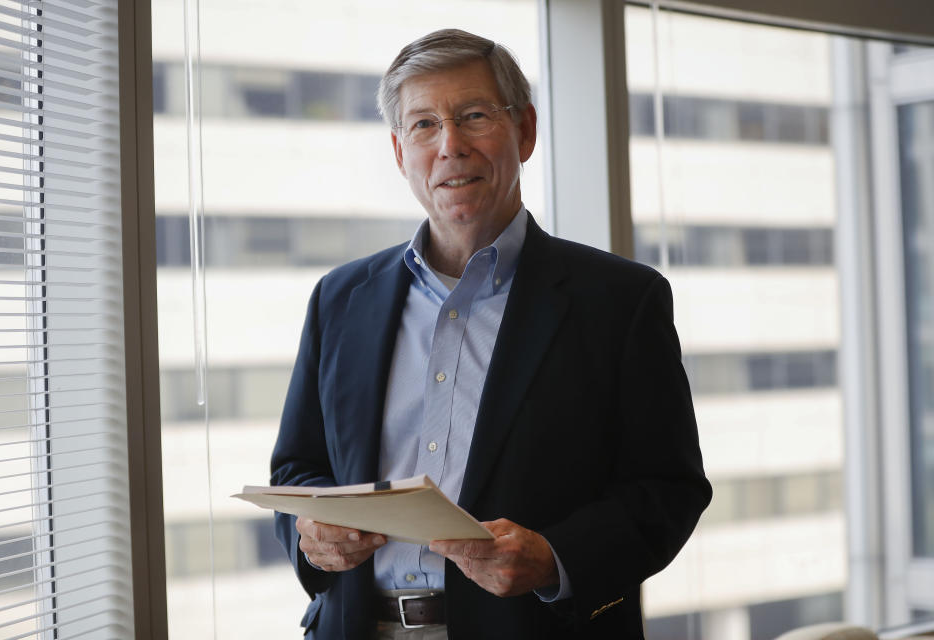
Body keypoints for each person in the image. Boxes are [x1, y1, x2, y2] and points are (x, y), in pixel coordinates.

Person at [270, 28, 711, 640]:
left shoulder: (619, 301)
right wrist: (310, 536)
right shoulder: (341, 299)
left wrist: (555, 558)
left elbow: (669, 488)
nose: (450, 145)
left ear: (524, 131)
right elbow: (297, 471)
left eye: (473, 115)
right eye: (423, 125)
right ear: (401, 153)